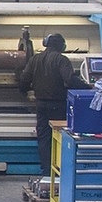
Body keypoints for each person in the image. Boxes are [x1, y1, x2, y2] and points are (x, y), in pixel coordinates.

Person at [23, 32, 75, 171]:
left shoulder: (35, 59)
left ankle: (46, 170)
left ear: (46, 44)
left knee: (44, 137)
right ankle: (60, 169)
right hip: (59, 105)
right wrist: (88, 88)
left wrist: (24, 92)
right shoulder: (62, 60)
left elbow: (24, 78)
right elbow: (70, 80)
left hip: (41, 105)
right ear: (62, 46)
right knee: (60, 137)